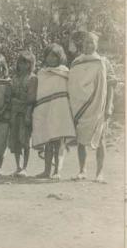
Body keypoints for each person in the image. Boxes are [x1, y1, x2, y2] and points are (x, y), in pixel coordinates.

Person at [68, 32, 117, 183]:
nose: (88, 45)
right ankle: (82, 170)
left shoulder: (103, 62)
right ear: (81, 45)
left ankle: (99, 173)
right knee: (81, 139)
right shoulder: (76, 62)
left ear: (97, 44)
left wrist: (109, 105)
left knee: (100, 138)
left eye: (91, 42)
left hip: (99, 106)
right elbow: (73, 86)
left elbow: (110, 85)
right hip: (80, 106)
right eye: (85, 43)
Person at [32, 43, 76, 180]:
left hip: (60, 111)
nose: (51, 59)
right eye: (48, 56)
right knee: (48, 143)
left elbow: (71, 91)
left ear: (60, 57)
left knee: (58, 143)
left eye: (54, 56)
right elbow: (40, 94)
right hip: (45, 111)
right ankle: (46, 171)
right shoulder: (41, 73)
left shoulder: (65, 72)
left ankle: (57, 171)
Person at [9, 51, 37, 177]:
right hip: (14, 112)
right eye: (21, 62)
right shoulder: (14, 78)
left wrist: (28, 114)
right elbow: (10, 95)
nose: (23, 65)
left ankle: (25, 167)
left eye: (26, 63)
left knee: (25, 140)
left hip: (26, 112)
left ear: (31, 64)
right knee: (15, 140)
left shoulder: (33, 78)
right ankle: (18, 166)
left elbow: (31, 99)